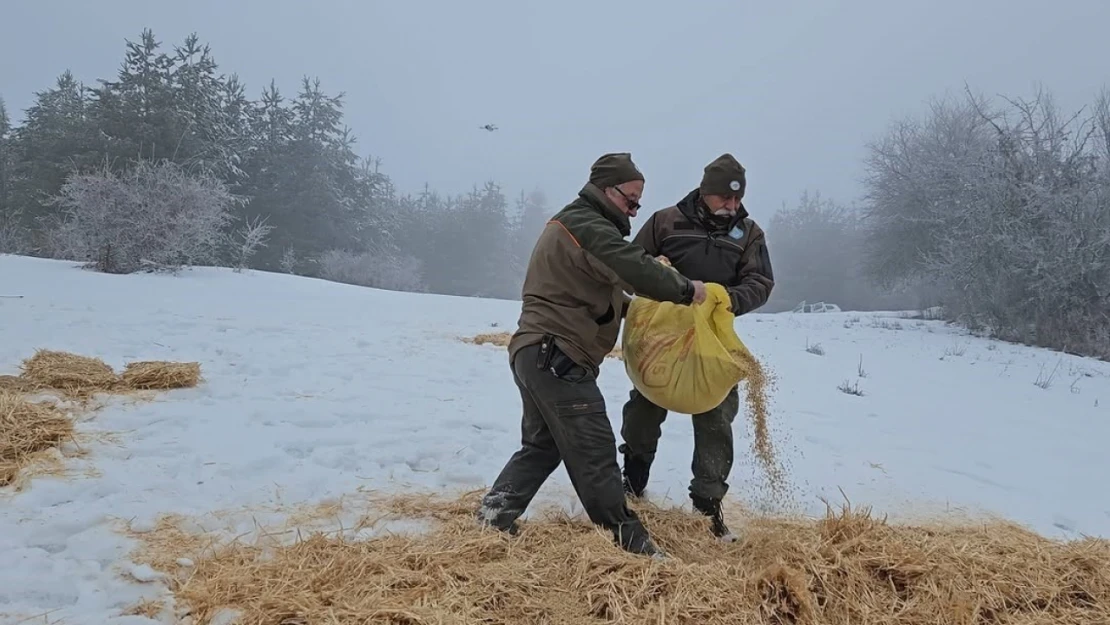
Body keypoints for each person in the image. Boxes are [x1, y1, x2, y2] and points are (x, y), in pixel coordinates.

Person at [476, 152, 707, 558]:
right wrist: (687, 290)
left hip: (534, 352)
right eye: (630, 198)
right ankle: (632, 546)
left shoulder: (576, 225)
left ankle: (492, 519)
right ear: (605, 189)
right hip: (558, 355)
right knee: (596, 451)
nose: (635, 209)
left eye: (639, 202)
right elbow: (632, 268)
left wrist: (645, 316)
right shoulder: (588, 226)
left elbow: (602, 292)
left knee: (542, 446)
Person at [618, 153, 775, 542]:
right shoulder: (666, 221)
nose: (732, 207)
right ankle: (633, 482)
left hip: (712, 341)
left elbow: (760, 282)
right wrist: (658, 271)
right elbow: (633, 265)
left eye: (737, 200)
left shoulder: (749, 234)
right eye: (724, 198)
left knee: (717, 419)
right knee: (644, 406)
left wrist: (728, 300)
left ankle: (707, 506)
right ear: (706, 193)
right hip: (663, 336)